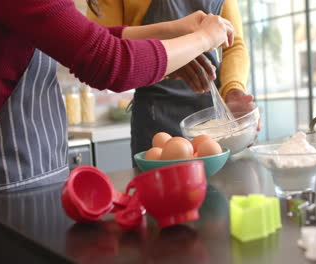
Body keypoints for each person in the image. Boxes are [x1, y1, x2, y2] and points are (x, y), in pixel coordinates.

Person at [0, 0, 234, 202]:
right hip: (1, 190)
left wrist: (173, 29)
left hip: (25, 182)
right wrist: (204, 38)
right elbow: (109, 62)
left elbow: (95, 37)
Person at [88, 0, 253, 158]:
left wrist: (233, 89)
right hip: (155, 116)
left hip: (215, 116)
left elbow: (233, 44)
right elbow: (104, 49)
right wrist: (167, 60)